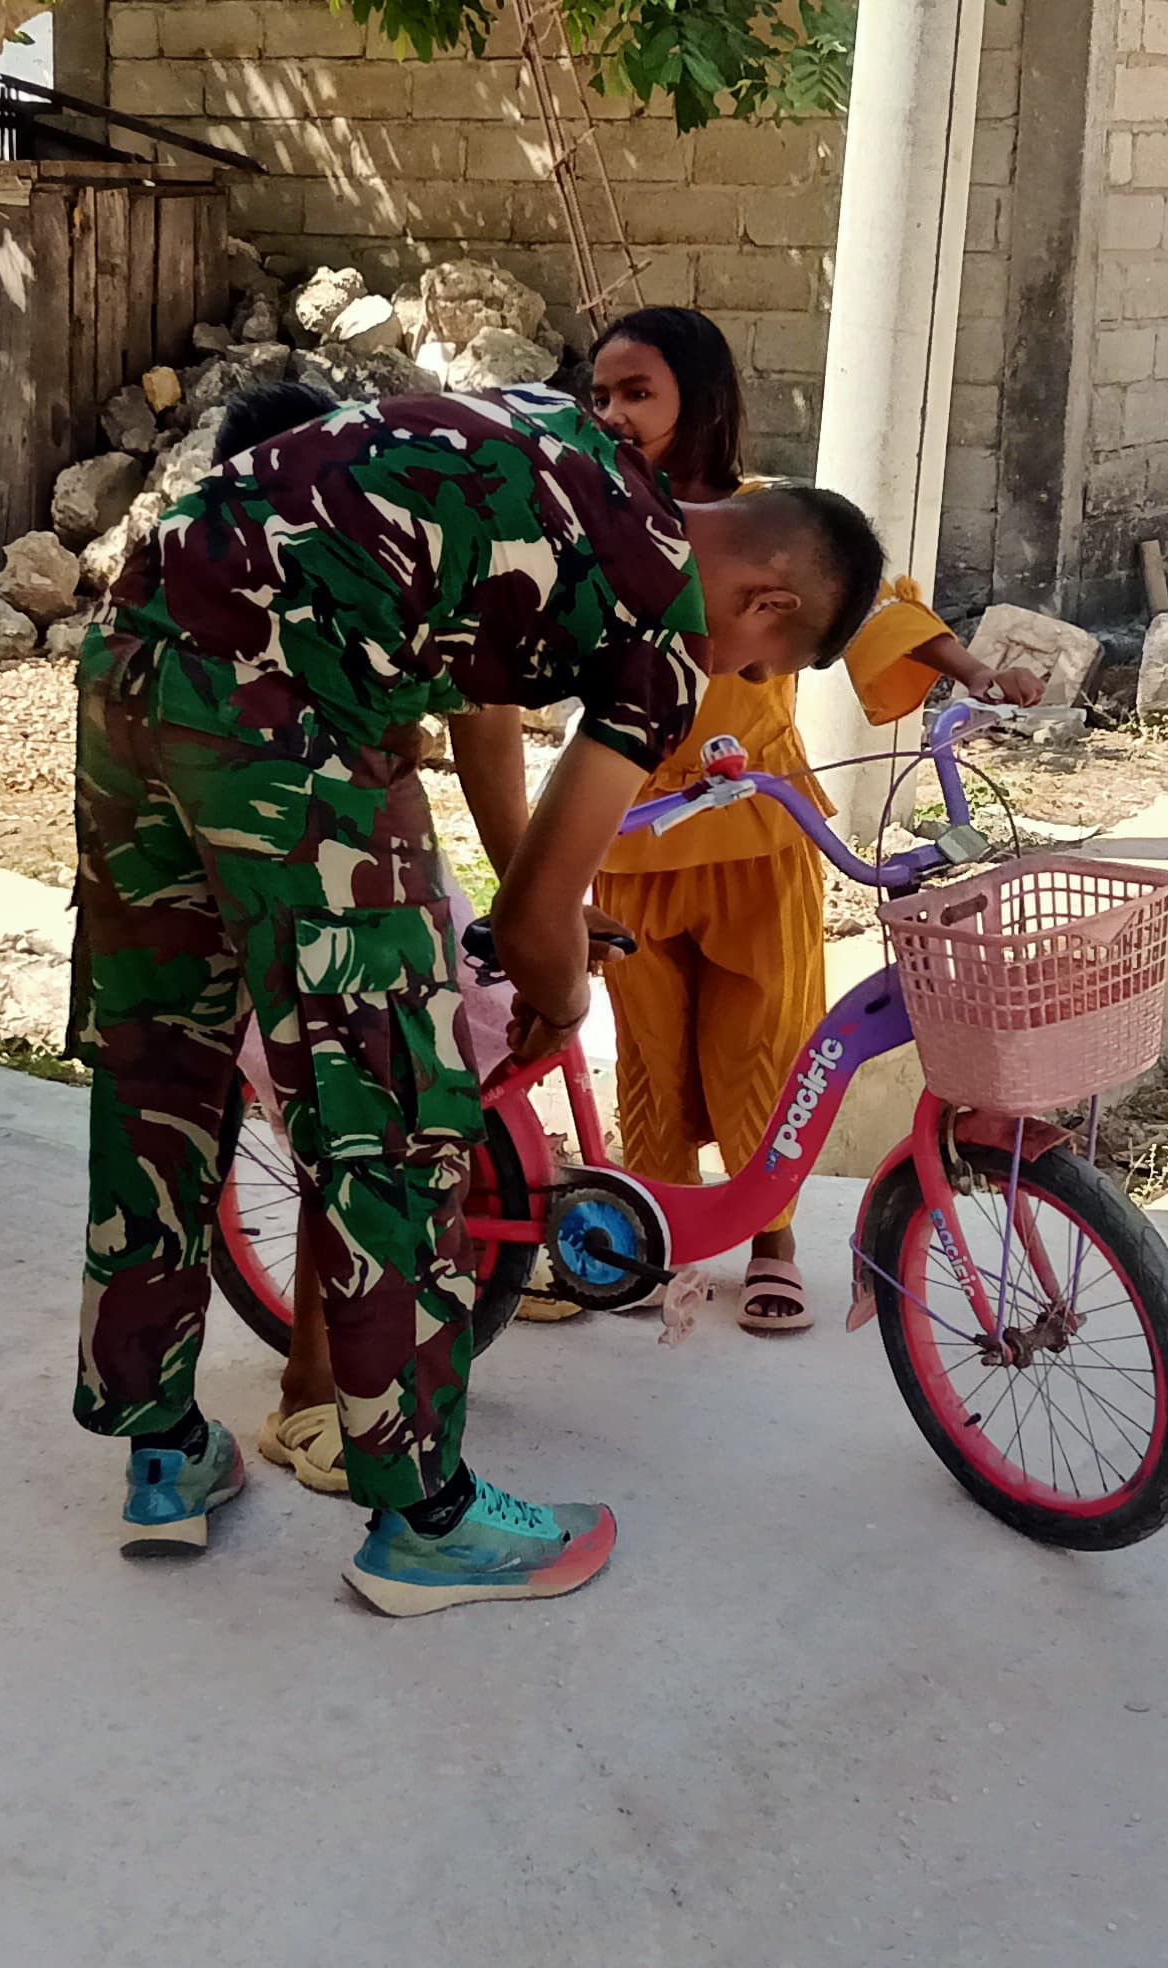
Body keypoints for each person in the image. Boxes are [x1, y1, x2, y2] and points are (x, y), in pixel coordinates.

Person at [72, 380, 886, 1615]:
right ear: (768, 599)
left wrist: (524, 901)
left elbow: (479, 712)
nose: (733, 671)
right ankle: (426, 1519)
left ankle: (163, 1453)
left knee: (162, 1063)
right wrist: (561, 991)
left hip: (132, 654)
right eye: (758, 659)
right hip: (291, 718)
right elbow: (533, 916)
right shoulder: (665, 632)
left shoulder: (566, 443)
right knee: (396, 1109)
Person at [576, 307, 1045, 1334]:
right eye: (600, 394)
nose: (610, 413)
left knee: (770, 1036)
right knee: (650, 1045)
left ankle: (771, 1239)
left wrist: (972, 670)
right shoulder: (596, 520)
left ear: (697, 400)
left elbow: (874, 606)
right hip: (632, 826)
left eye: (635, 393)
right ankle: (659, 1227)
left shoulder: (762, 521)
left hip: (759, 826)